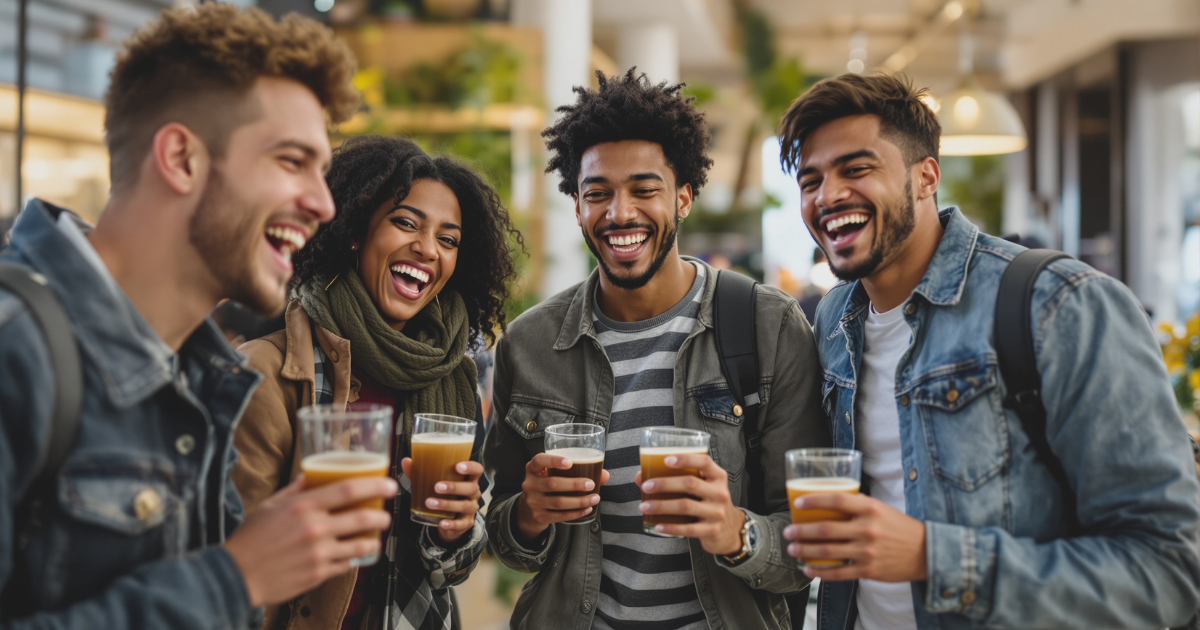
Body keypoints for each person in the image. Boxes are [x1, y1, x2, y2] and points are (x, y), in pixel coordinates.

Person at [0, 5, 401, 628]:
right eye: (292, 161)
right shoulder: (16, 352)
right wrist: (236, 577)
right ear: (182, 158)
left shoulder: (197, 371)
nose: (324, 204)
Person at [777, 72, 1200, 629]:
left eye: (857, 169)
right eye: (811, 180)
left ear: (926, 177)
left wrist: (934, 557)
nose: (828, 196)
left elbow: (1168, 569)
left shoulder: (1060, 304)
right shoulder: (835, 318)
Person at [482, 69, 831, 630]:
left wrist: (734, 531)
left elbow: (807, 545)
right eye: (597, 193)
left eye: (645, 189)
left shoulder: (768, 327)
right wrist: (528, 514)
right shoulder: (530, 345)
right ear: (577, 207)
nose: (620, 213)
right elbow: (503, 534)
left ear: (683, 197)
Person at [233, 135, 520, 630]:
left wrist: (456, 530)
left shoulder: (451, 376)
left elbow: (451, 570)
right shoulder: (266, 373)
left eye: (448, 239)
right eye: (405, 223)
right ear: (353, 232)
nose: (427, 248)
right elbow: (231, 562)